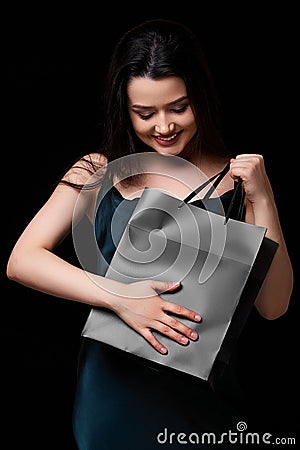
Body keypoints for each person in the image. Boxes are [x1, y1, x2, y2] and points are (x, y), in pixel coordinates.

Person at [6, 18, 293, 449]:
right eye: (145, 113)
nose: (163, 126)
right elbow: (22, 259)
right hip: (114, 393)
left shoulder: (239, 180)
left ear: (201, 96)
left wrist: (263, 197)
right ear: (124, 108)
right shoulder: (97, 171)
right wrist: (120, 297)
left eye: (178, 107)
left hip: (202, 397)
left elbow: (274, 306)